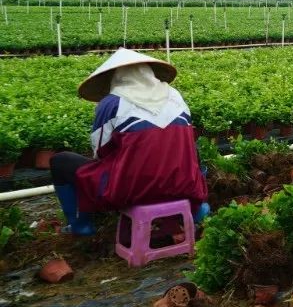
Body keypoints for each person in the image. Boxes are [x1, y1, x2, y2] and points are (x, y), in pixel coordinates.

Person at [50, 48, 208, 236]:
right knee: (190, 151)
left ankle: (81, 226)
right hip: (184, 184)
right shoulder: (175, 96)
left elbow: (100, 152)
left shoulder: (111, 103)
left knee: (60, 162)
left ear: (115, 77)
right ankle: (197, 209)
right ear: (150, 72)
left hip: (131, 189)